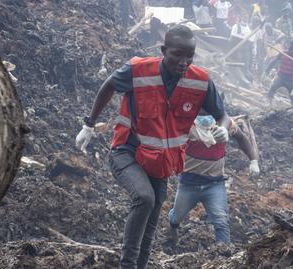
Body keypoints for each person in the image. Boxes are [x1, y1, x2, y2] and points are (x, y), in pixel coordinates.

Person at [75, 25, 230, 269]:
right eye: (177, 54)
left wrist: (223, 128)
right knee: (144, 198)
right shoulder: (138, 70)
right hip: (127, 151)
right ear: (163, 50)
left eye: (189, 55)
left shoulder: (200, 81)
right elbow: (109, 85)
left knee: (151, 222)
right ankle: (127, 265)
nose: (184, 61)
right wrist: (89, 125)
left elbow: (222, 114)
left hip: (160, 163)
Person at [168, 115, 259, 244]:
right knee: (176, 218)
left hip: (214, 184)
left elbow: (241, 138)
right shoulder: (186, 123)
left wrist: (253, 161)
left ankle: (224, 256)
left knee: (221, 221)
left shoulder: (224, 125)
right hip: (188, 185)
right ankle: (172, 228)